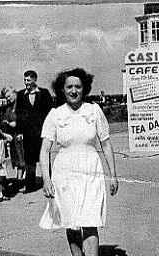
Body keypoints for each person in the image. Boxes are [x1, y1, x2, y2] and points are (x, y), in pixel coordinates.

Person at [39, 68, 118, 256]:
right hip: (64, 173)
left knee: (90, 221)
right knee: (72, 222)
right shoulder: (55, 115)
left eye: (78, 87)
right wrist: (46, 180)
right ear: (62, 90)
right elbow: (44, 151)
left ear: (85, 89)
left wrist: (113, 176)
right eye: (69, 87)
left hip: (91, 170)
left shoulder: (94, 111)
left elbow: (106, 145)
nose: (74, 91)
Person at [16, 70, 53, 193]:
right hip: (27, 134)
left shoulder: (44, 93)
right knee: (29, 160)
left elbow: (50, 113)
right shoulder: (21, 95)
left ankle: (49, 182)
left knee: (44, 156)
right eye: (24, 80)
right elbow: (19, 114)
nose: (26, 82)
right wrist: (20, 131)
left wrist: (51, 129)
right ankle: (30, 185)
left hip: (42, 133)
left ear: (34, 80)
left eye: (28, 80)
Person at [0, 86, 26, 191]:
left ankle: (21, 180)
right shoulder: (8, 108)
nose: (8, 99)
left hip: (22, 134)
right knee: (17, 157)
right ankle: (19, 179)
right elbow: (6, 118)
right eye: (6, 98)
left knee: (22, 157)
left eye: (9, 96)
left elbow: (26, 118)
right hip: (13, 136)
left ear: (14, 92)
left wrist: (17, 123)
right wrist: (6, 123)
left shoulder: (22, 104)